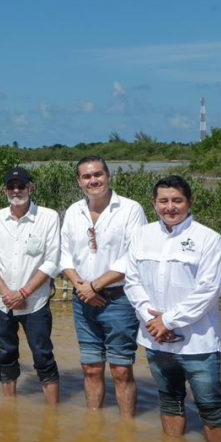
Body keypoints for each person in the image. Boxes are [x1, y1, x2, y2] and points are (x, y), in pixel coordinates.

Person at [124, 175, 221, 442]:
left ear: (190, 201)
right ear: (154, 203)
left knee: (211, 407)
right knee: (169, 400)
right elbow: (132, 281)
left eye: (177, 201)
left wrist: (167, 321)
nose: (169, 207)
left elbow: (208, 292)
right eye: (163, 201)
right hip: (155, 339)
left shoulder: (209, 240)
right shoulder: (141, 235)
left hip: (198, 343)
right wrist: (151, 320)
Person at [59, 156, 147, 417]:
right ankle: (93, 422)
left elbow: (134, 256)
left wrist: (94, 286)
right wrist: (81, 287)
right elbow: (64, 255)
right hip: (82, 298)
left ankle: (126, 428)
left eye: (98, 174)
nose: (93, 180)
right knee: (91, 367)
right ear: (79, 181)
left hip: (119, 299)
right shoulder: (74, 211)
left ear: (108, 176)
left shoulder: (131, 209)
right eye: (86, 176)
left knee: (121, 369)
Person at [0, 167, 62, 404]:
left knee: (43, 355)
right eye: (11, 186)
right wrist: (8, 293)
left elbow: (51, 261)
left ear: (31, 188)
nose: (16, 191)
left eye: (21, 186)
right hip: (2, 302)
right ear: (4, 190)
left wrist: (24, 292)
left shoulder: (49, 217)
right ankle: (9, 408)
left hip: (35, 303)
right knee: (6, 354)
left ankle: (53, 413)